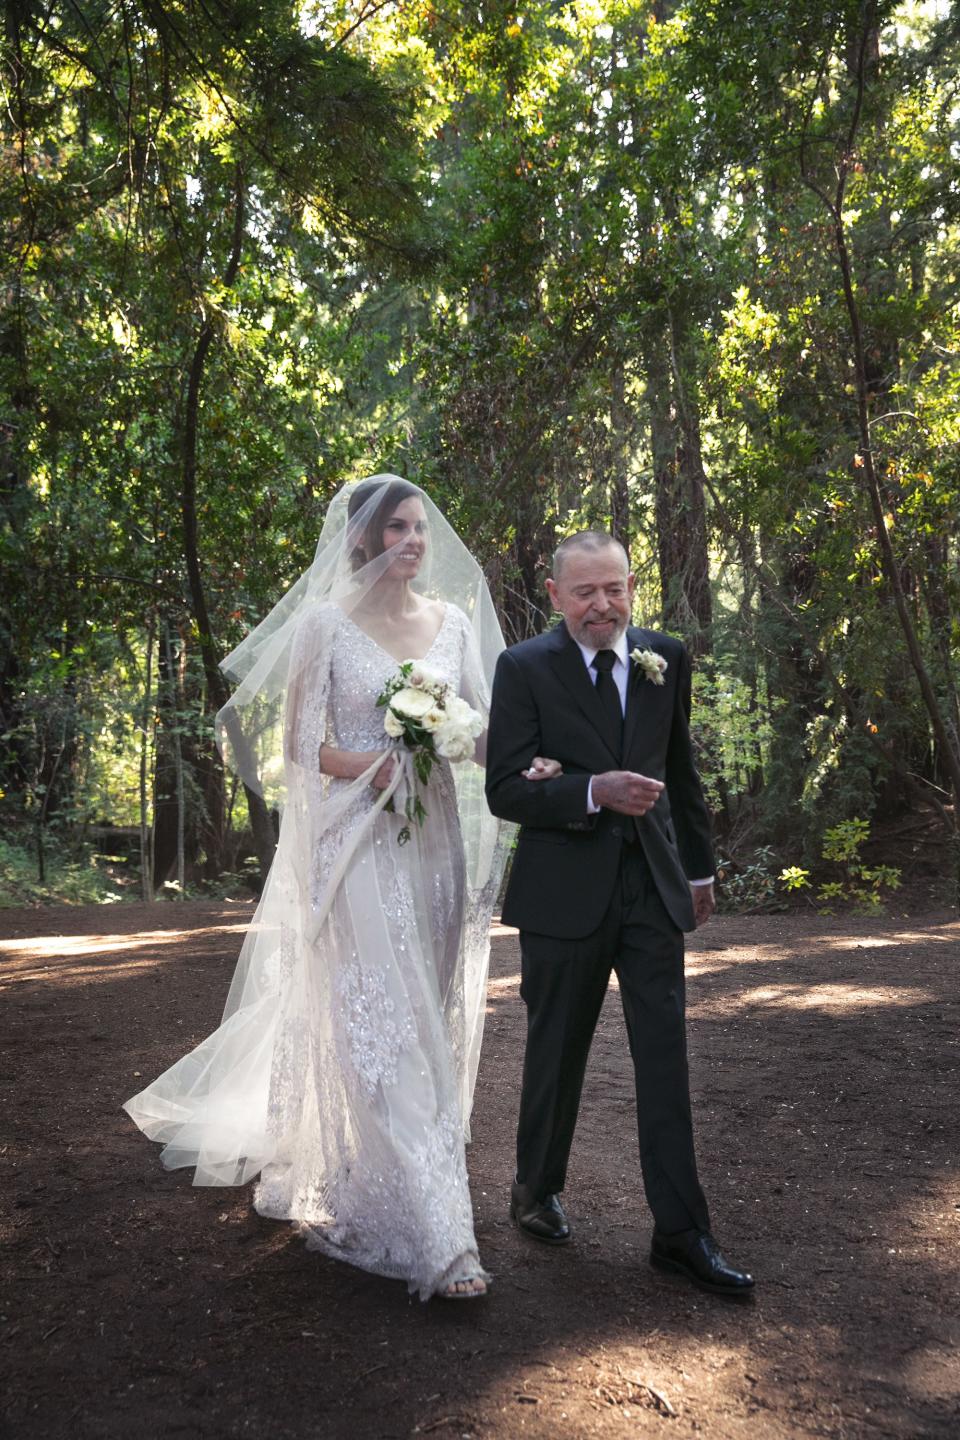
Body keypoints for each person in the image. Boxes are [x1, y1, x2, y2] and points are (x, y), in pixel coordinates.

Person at [124, 476, 557, 1300]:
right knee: (381, 1016)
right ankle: (436, 1239)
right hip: (353, 843)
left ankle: (379, 1165)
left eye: (420, 528)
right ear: (361, 539)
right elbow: (300, 748)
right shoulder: (325, 627)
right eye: (396, 527)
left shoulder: (454, 623)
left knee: (424, 1010)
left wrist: (495, 751)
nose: (413, 541)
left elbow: (479, 726)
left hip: (431, 842)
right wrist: (381, 758)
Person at [484, 530, 754, 1299]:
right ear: (555, 594)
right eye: (585, 592)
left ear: (632, 586)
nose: (603, 606)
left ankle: (681, 1233)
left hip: (652, 893)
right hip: (564, 893)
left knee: (664, 1059)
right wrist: (590, 791)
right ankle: (535, 1189)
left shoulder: (664, 657)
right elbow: (505, 786)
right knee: (557, 1048)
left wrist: (699, 869)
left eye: (615, 590)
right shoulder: (523, 668)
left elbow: (681, 771)